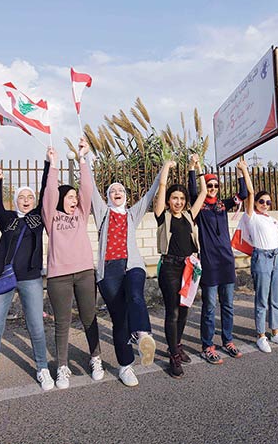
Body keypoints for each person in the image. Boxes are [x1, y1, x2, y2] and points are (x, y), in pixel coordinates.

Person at [0, 156, 53, 405]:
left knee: (37, 328)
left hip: (30, 279)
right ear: (17, 199)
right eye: (22, 197)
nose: (26, 200)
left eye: (29, 197)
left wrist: (48, 165)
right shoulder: (7, 218)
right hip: (3, 278)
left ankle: (42, 368)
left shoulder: (38, 219)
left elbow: (46, 193)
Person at [88, 159, 170, 387]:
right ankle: (125, 366)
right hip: (109, 271)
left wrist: (164, 168)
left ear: (126, 196)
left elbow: (152, 192)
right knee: (119, 321)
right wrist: (84, 158)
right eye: (112, 190)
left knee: (136, 294)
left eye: (121, 190)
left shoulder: (132, 214)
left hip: (132, 265)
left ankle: (144, 334)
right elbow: (90, 187)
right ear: (107, 197)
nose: (117, 192)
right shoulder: (103, 214)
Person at [43, 140, 102, 389]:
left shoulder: (80, 214)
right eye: (69, 197)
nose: (74, 200)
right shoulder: (51, 216)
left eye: (74, 197)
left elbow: (87, 189)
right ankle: (63, 367)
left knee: (90, 317)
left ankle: (96, 358)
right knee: (62, 322)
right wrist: (53, 165)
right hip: (59, 276)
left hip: (85, 273)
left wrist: (82, 159)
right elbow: (49, 193)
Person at [187, 155, 249, 364]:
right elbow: (194, 192)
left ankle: (228, 341)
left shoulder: (223, 205)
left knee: (228, 305)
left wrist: (241, 172)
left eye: (215, 185)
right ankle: (207, 345)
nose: (212, 188)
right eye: (210, 185)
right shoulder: (200, 207)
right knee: (210, 306)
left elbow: (243, 194)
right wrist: (194, 169)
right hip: (210, 263)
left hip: (227, 261)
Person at [154, 160, 207, 377]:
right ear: (169, 201)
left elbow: (203, 192)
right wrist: (166, 167)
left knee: (184, 310)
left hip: (189, 267)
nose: (178, 201)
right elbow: (162, 188)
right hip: (169, 267)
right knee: (173, 311)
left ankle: (175, 345)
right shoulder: (163, 216)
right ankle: (173, 356)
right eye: (175, 198)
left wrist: (198, 167)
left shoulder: (188, 215)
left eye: (182, 198)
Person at [244, 181, 278, 353]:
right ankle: (261, 335)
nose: (265, 205)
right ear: (256, 203)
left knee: (276, 298)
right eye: (262, 201)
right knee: (262, 299)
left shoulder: (272, 219)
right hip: (262, 257)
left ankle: (275, 332)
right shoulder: (252, 217)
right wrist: (244, 171)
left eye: (268, 202)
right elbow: (250, 193)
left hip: (276, 257)